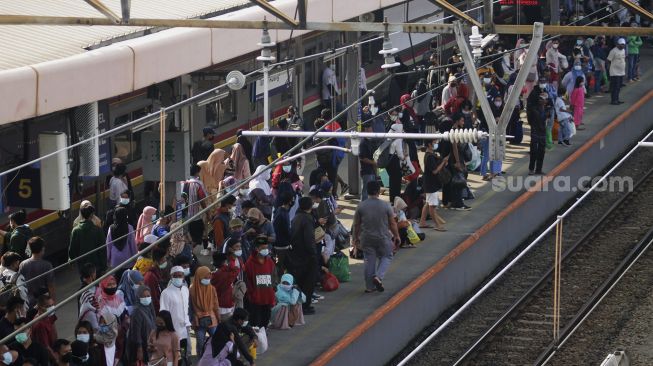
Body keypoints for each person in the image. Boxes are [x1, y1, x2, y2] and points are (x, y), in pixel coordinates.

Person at [353, 181, 401, 293]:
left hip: (366, 238)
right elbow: (392, 224)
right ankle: (378, 277)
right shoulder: (385, 205)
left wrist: (355, 238)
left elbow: (356, 224)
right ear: (379, 191)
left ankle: (369, 287)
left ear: (367, 191)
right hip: (382, 237)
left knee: (369, 260)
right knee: (387, 256)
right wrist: (396, 236)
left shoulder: (361, 206)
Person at [289, 197, 317, 315]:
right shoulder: (307, 219)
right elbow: (309, 238)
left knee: (300, 281)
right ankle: (305, 305)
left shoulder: (296, 217)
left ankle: (300, 304)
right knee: (309, 281)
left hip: (296, 253)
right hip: (306, 255)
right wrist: (313, 252)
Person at [159, 266, 191, 360]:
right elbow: (163, 313)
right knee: (174, 357)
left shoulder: (185, 290)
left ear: (183, 276)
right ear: (171, 277)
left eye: (180, 275)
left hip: (185, 328)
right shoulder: (166, 293)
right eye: (175, 276)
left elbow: (186, 308)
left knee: (184, 355)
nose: (178, 278)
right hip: (173, 330)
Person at [244, 236, 275, 328]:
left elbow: (273, 277)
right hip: (256, 299)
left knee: (265, 321)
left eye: (266, 248)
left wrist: (273, 291)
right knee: (255, 323)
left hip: (268, 297)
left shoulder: (269, 261)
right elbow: (247, 280)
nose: (265, 250)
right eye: (263, 248)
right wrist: (251, 294)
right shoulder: (250, 263)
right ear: (257, 249)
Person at [69, 205, 107, 276]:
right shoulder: (98, 230)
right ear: (91, 215)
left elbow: (72, 248)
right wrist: (104, 266)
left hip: (82, 265)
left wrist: (71, 261)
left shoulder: (75, 230)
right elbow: (102, 249)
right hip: (96, 265)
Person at [189, 266, 219, 354]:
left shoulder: (212, 289)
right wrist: (191, 321)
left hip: (212, 319)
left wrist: (218, 317)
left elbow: (215, 305)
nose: (208, 279)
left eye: (209, 278)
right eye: (205, 278)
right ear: (199, 277)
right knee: (200, 343)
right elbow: (190, 307)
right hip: (198, 320)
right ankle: (201, 360)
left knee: (216, 340)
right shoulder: (192, 290)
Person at [419, 140, 448, 231]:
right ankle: (437, 225)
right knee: (432, 206)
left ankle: (422, 222)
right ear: (429, 144)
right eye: (434, 142)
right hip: (432, 184)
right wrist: (443, 162)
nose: (436, 144)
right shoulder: (429, 157)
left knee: (428, 204)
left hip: (429, 183)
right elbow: (435, 171)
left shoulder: (430, 155)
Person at [18, 237, 55, 307]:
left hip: (29, 301)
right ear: (42, 248)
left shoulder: (23, 264)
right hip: (44, 302)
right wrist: (53, 302)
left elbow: (20, 283)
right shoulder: (47, 265)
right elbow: (51, 286)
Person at [183, 164, 209, 250]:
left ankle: (189, 250)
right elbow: (202, 199)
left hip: (183, 216)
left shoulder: (183, 182)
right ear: (197, 172)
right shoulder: (198, 184)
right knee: (197, 238)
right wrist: (207, 212)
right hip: (195, 216)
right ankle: (190, 251)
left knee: (187, 235)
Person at [106, 207, 137, 275]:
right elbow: (132, 244)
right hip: (127, 259)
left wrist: (108, 258)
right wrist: (135, 257)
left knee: (117, 279)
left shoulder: (111, 228)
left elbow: (108, 244)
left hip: (115, 259)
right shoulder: (129, 227)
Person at [129, 285, 156, 364]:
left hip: (151, 344)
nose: (146, 298)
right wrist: (139, 349)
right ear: (138, 297)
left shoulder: (150, 307)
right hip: (142, 346)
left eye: (148, 296)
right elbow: (136, 333)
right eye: (143, 296)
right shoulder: (137, 311)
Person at [527, 92, 549, 175]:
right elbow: (531, 119)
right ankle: (531, 169)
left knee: (541, 151)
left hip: (542, 132)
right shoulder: (534, 109)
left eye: (543, 99)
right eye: (540, 98)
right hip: (535, 131)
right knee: (533, 151)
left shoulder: (547, 109)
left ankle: (539, 169)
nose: (541, 100)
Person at [211, 253, 237, 321]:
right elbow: (236, 271)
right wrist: (233, 262)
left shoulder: (214, 274)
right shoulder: (224, 273)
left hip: (218, 303)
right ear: (224, 262)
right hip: (225, 305)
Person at [388, 122, 409, 204]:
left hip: (389, 161)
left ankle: (392, 200)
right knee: (396, 183)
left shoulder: (389, 135)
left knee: (392, 181)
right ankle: (396, 200)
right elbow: (400, 154)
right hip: (395, 161)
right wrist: (405, 156)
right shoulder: (398, 138)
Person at [272, 191, 293, 273]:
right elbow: (287, 231)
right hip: (282, 245)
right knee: (282, 266)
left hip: (279, 243)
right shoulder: (283, 214)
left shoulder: (279, 210)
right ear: (290, 201)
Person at [358, 122, 378, 201]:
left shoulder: (371, 141)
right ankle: (364, 206)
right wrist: (374, 163)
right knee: (366, 191)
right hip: (366, 171)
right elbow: (362, 158)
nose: (371, 132)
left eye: (371, 130)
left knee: (371, 190)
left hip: (372, 170)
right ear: (365, 130)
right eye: (369, 131)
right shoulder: (363, 143)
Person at [607, 38, 627, 105]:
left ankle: (617, 99)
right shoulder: (613, 51)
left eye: (623, 45)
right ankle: (613, 100)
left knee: (618, 87)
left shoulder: (623, 50)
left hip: (621, 72)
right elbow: (608, 60)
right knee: (615, 87)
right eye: (621, 44)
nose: (622, 46)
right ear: (618, 44)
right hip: (614, 73)